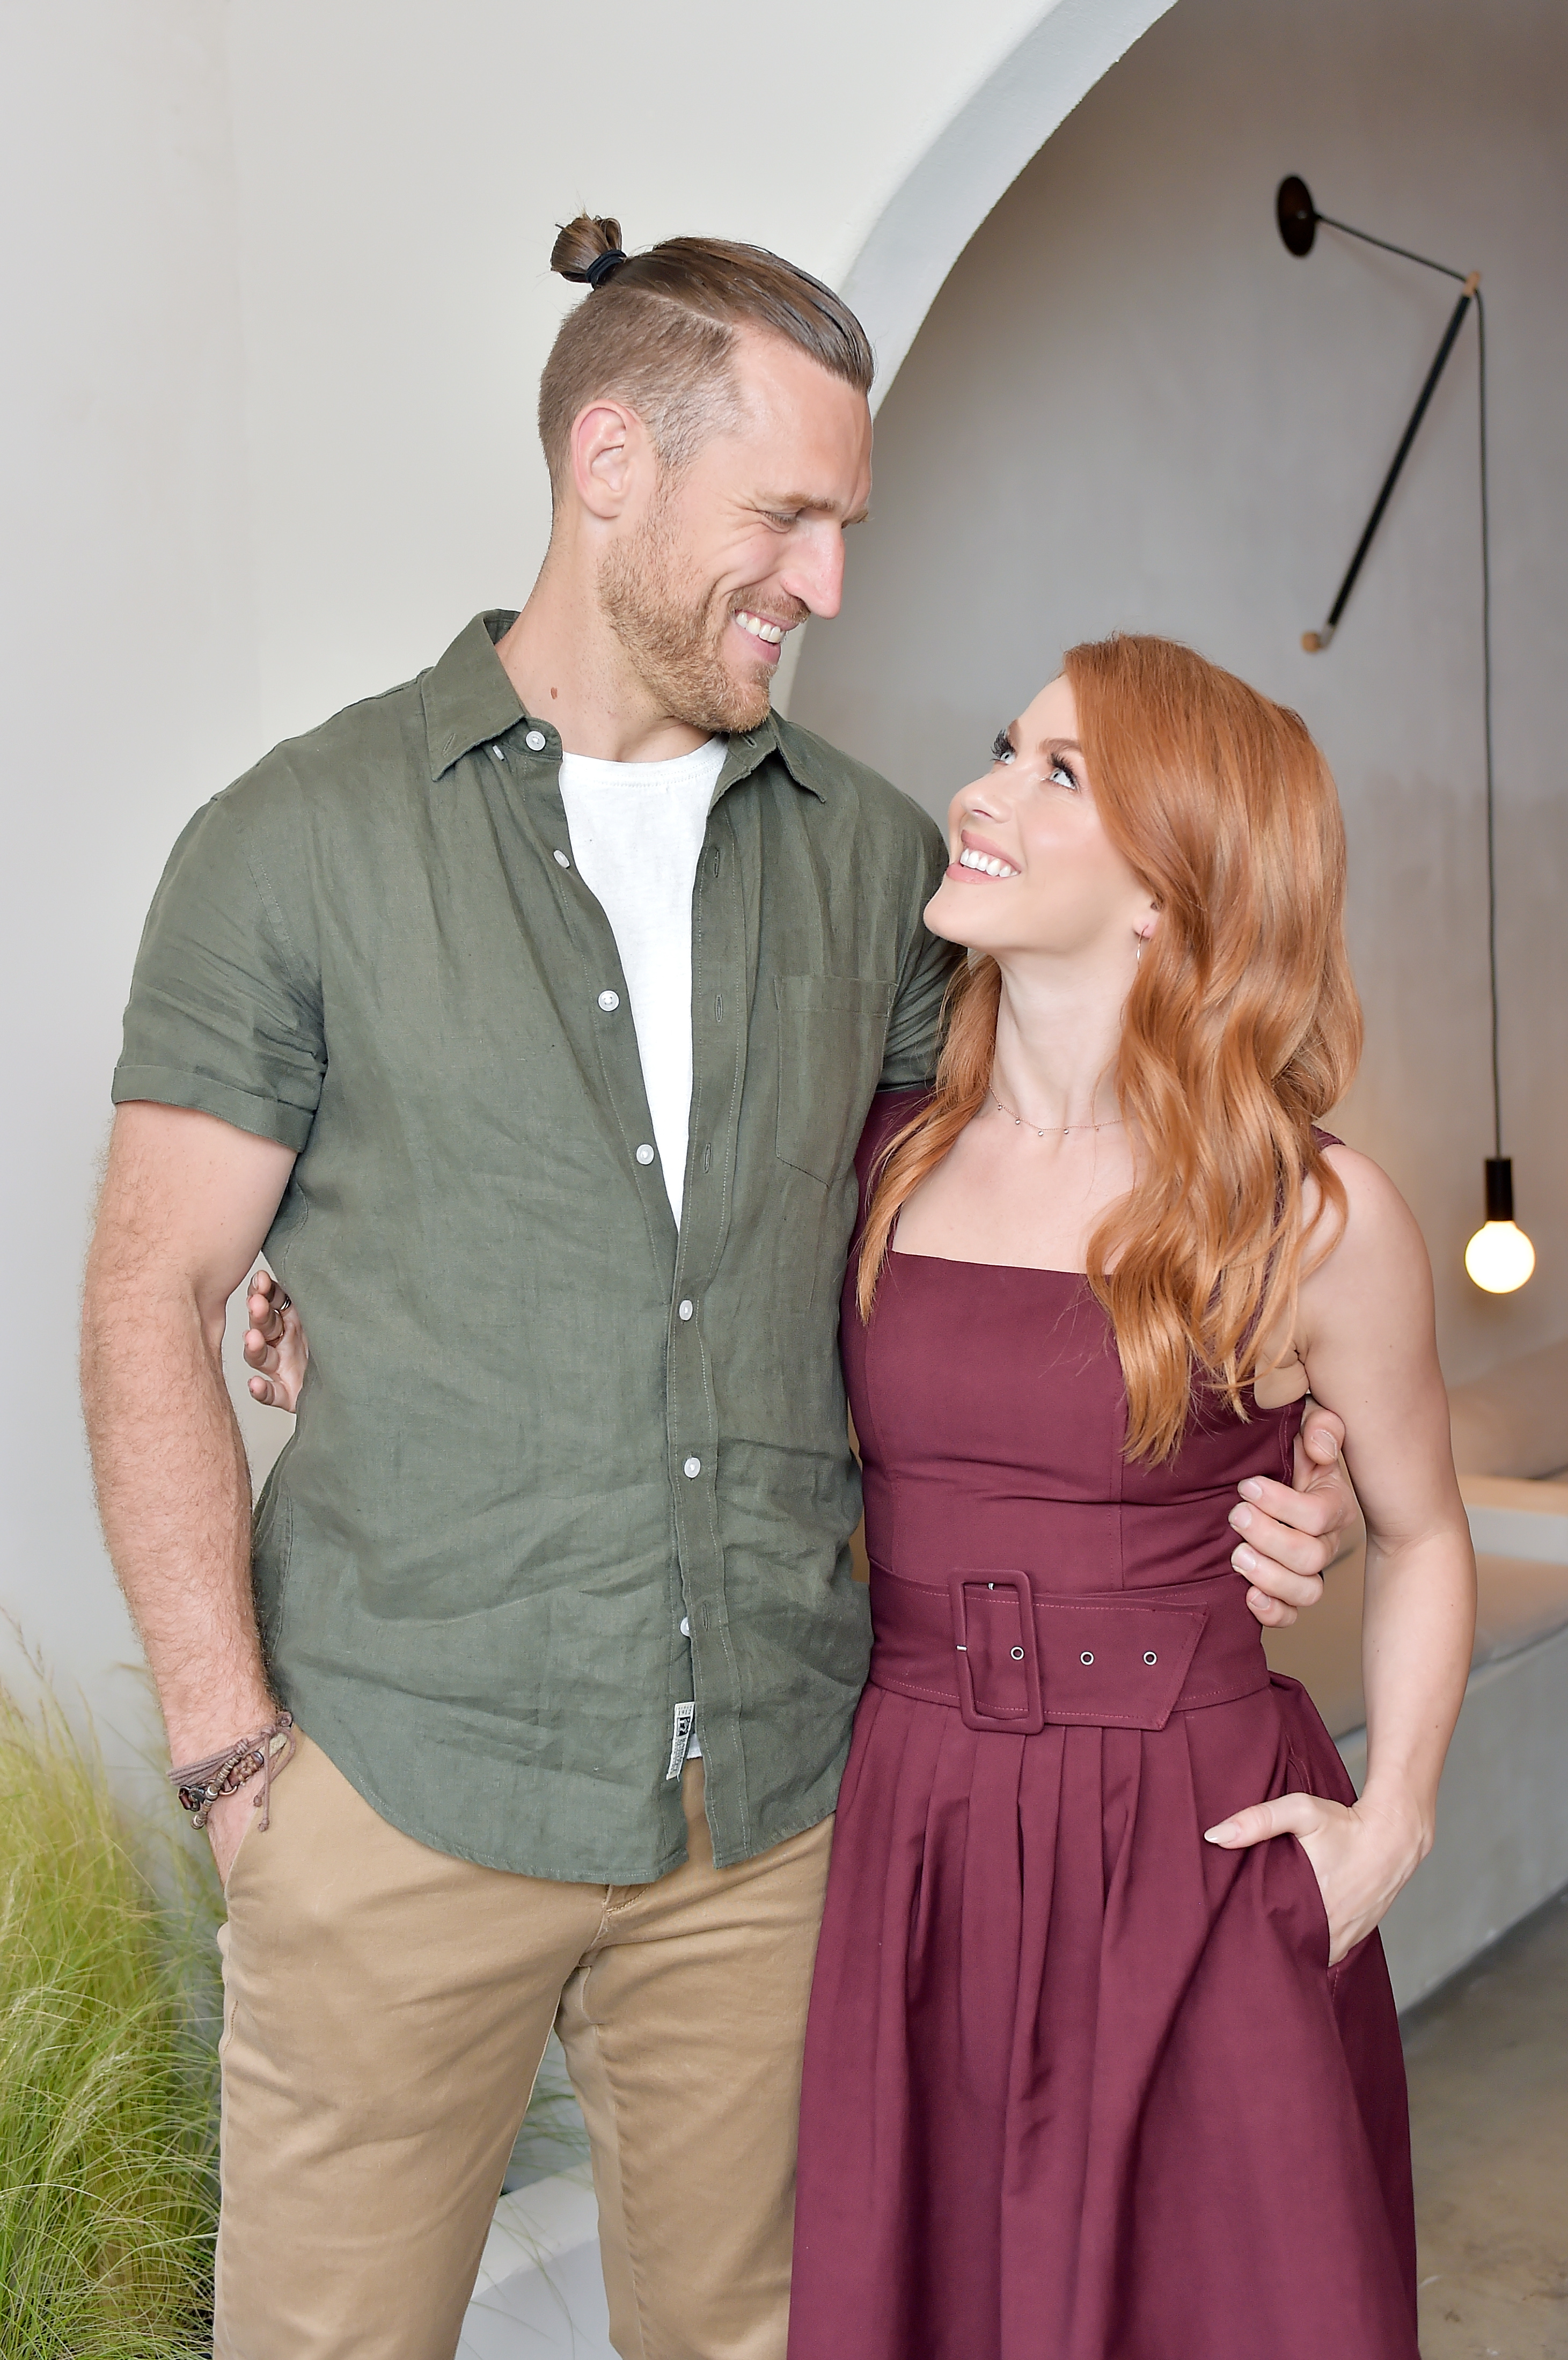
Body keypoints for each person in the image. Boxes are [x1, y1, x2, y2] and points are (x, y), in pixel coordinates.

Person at [80, 217, 1352, 2360]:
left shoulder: (874, 864)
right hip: (399, 1786)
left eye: (848, 524)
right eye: (787, 515)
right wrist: (230, 1755)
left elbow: (1039, 1201)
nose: (828, 580)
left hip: (769, 1818)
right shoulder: (295, 843)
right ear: (610, 461)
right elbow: (150, 1293)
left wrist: (1275, 1431)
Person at [783, 639, 1476, 2360]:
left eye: (1058, 776)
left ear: (1171, 892)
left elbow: (1427, 1531)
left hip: (1199, 1845)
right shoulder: (882, 1159)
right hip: (920, 1831)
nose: (985, 795)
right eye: (1004, 750)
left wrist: (1392, 1823)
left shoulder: (1307, 1215)